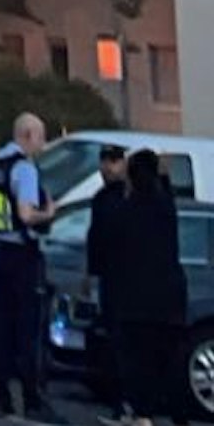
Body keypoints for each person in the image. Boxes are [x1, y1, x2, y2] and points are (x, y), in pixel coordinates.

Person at [0, 111, 64, 422]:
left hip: (0, 248)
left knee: (2, 326)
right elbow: (27, 214)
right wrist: (50, 213)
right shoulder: (24, 169)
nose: (43, 143)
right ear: (27, 136)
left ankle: (0, 397)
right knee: (30, 328)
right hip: (23, 254)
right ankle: (34, 399)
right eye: (41, 136)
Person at [113, 148, 189, 426]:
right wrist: (165, 176)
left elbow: (116, 251)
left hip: (135, 300)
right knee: (170, 359)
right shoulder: (165, 208)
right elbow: (166, 194)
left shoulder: (125, 211)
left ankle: (142, 413)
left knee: (138, 361)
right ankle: (179, 415)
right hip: (168, 297)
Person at [87, 144, 132, 424]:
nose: (107, 168)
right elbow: (95, 240)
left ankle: (126, 404)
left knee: (123, 344)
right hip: (112, 280)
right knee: (115, 342)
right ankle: (120, 402)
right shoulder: (103, 198)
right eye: (105, 162)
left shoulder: (126, 197)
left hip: (125, 281)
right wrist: (92, 274)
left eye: (113, 161)